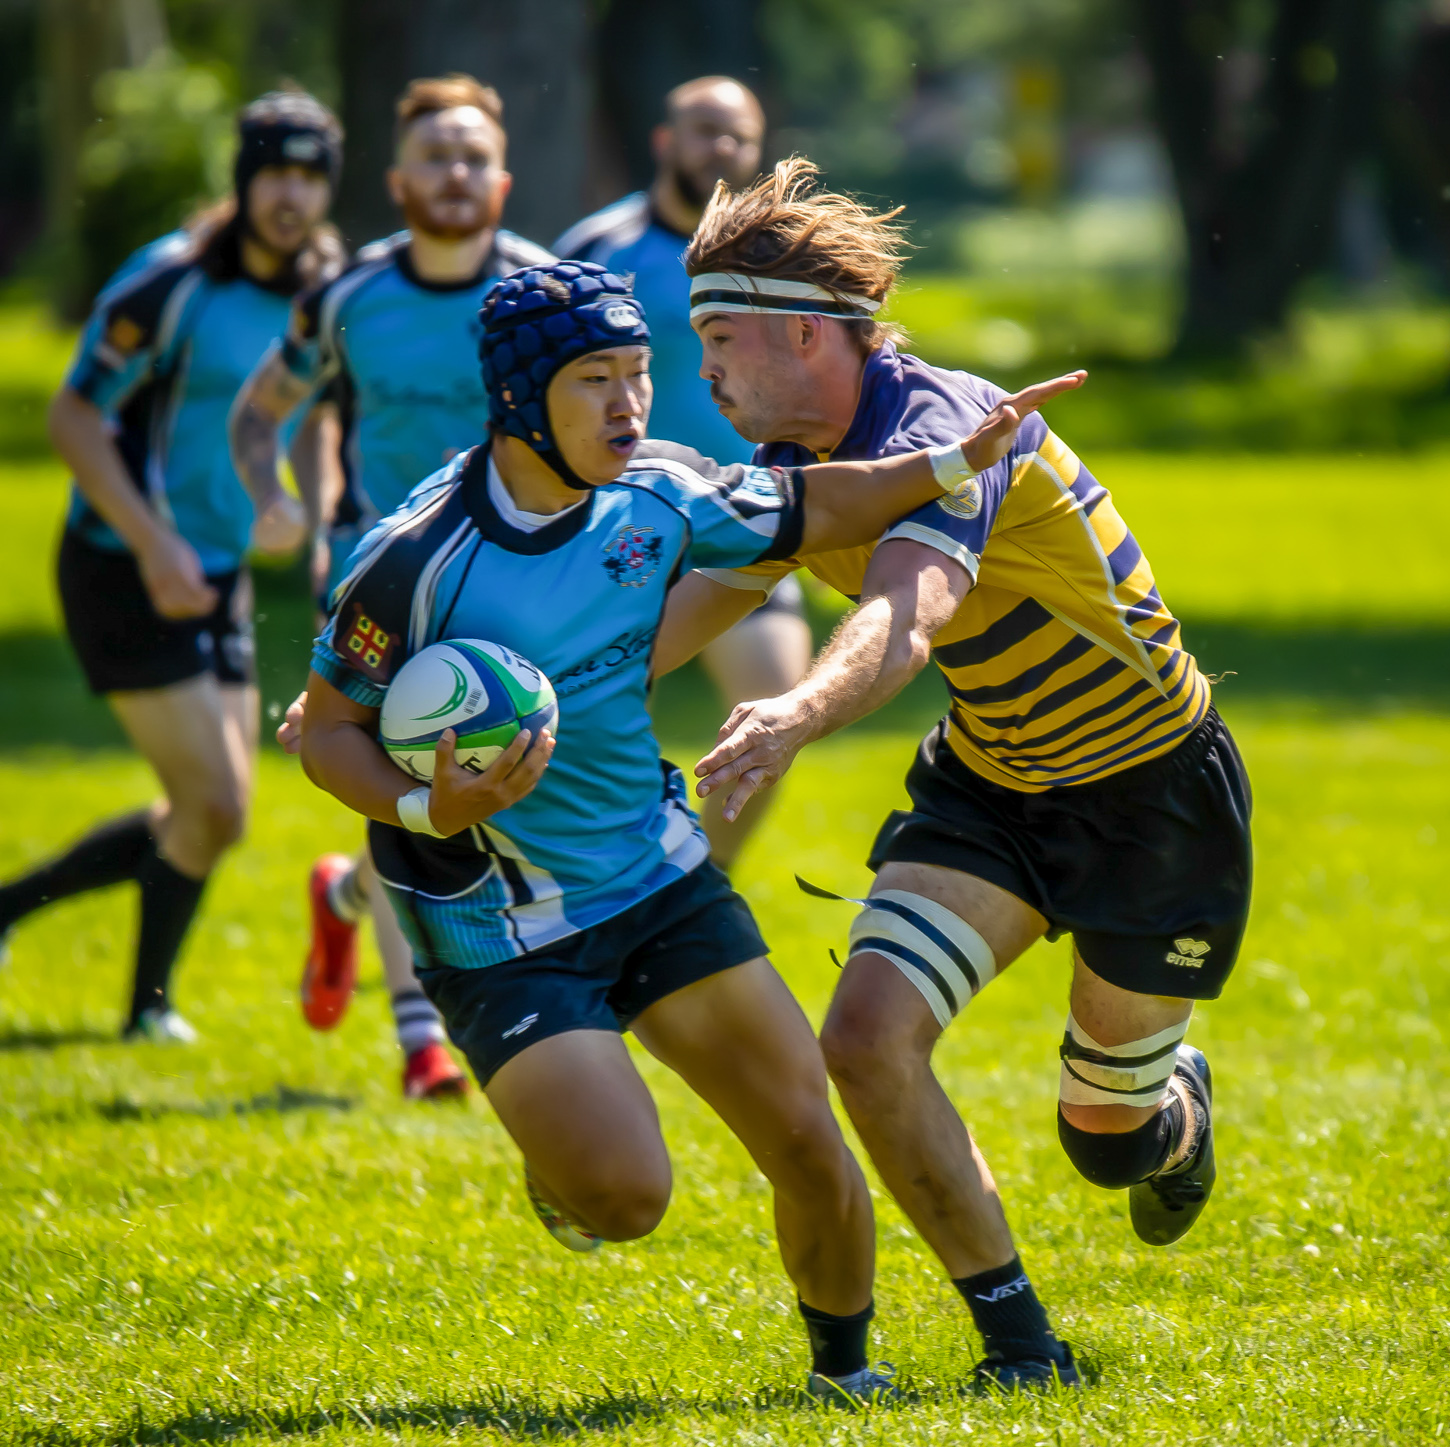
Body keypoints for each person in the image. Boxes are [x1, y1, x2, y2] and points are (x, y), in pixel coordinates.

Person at [296, 261, 1080, 1398]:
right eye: (595, 381)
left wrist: (957, 456)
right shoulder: (411, 561)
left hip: (656, 877)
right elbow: (325, 737)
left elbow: (825, 505)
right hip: (496, 921)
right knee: (626, 1197)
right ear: (520, 399)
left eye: (639, 376)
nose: (630, 405)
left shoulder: (659, 500)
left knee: (807, 1137)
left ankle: (844, 1379)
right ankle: (568, 1161)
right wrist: (430, 804)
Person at [661, 160, 1252, 1391]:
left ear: (803, 330)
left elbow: (906, 613)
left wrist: (793, 711)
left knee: (1108, 1143)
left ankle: (1168, 1106)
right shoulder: (786, 463)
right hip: (991, 785)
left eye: (719, 334)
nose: (701, 366)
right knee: (867, 1039)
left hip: (1154, 798)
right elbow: (675, 613)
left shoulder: (943, 429)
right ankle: (1022, 1346)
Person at [231, 74, 555, 1100]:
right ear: (396, 178)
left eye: (472, 156)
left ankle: (346, 901)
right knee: (410, 794)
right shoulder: (346, 299)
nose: (454, 174)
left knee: (509, 799)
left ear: (501, 177)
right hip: (386, 582)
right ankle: (423, 1039)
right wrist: (275, 498)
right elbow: (257, 415)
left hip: (520, 573)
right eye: (434, 156)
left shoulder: (543, 294)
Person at [0, 92, 342, 1041]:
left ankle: (63, 947)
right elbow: (73, 416)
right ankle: (143, 1007)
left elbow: (316, 417)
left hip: (219, 571)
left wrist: (316, 531)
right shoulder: (174, 283)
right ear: (244, 178)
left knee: (213, 813)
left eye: (312, 177)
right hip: (123, 564)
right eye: (277, 171)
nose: (293, 194)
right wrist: (153, 543)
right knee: (218, 799)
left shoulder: (325, 289)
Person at [555, 76, 811, 869]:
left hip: (741, 517)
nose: (722, 149)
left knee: (772, 716)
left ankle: (693, 886)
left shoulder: (785, 257)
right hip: (613, 526)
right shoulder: (599, 249)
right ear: (666, 142)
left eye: (738, 135)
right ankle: (362, 887)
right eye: (704, 130)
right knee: (562, 737)